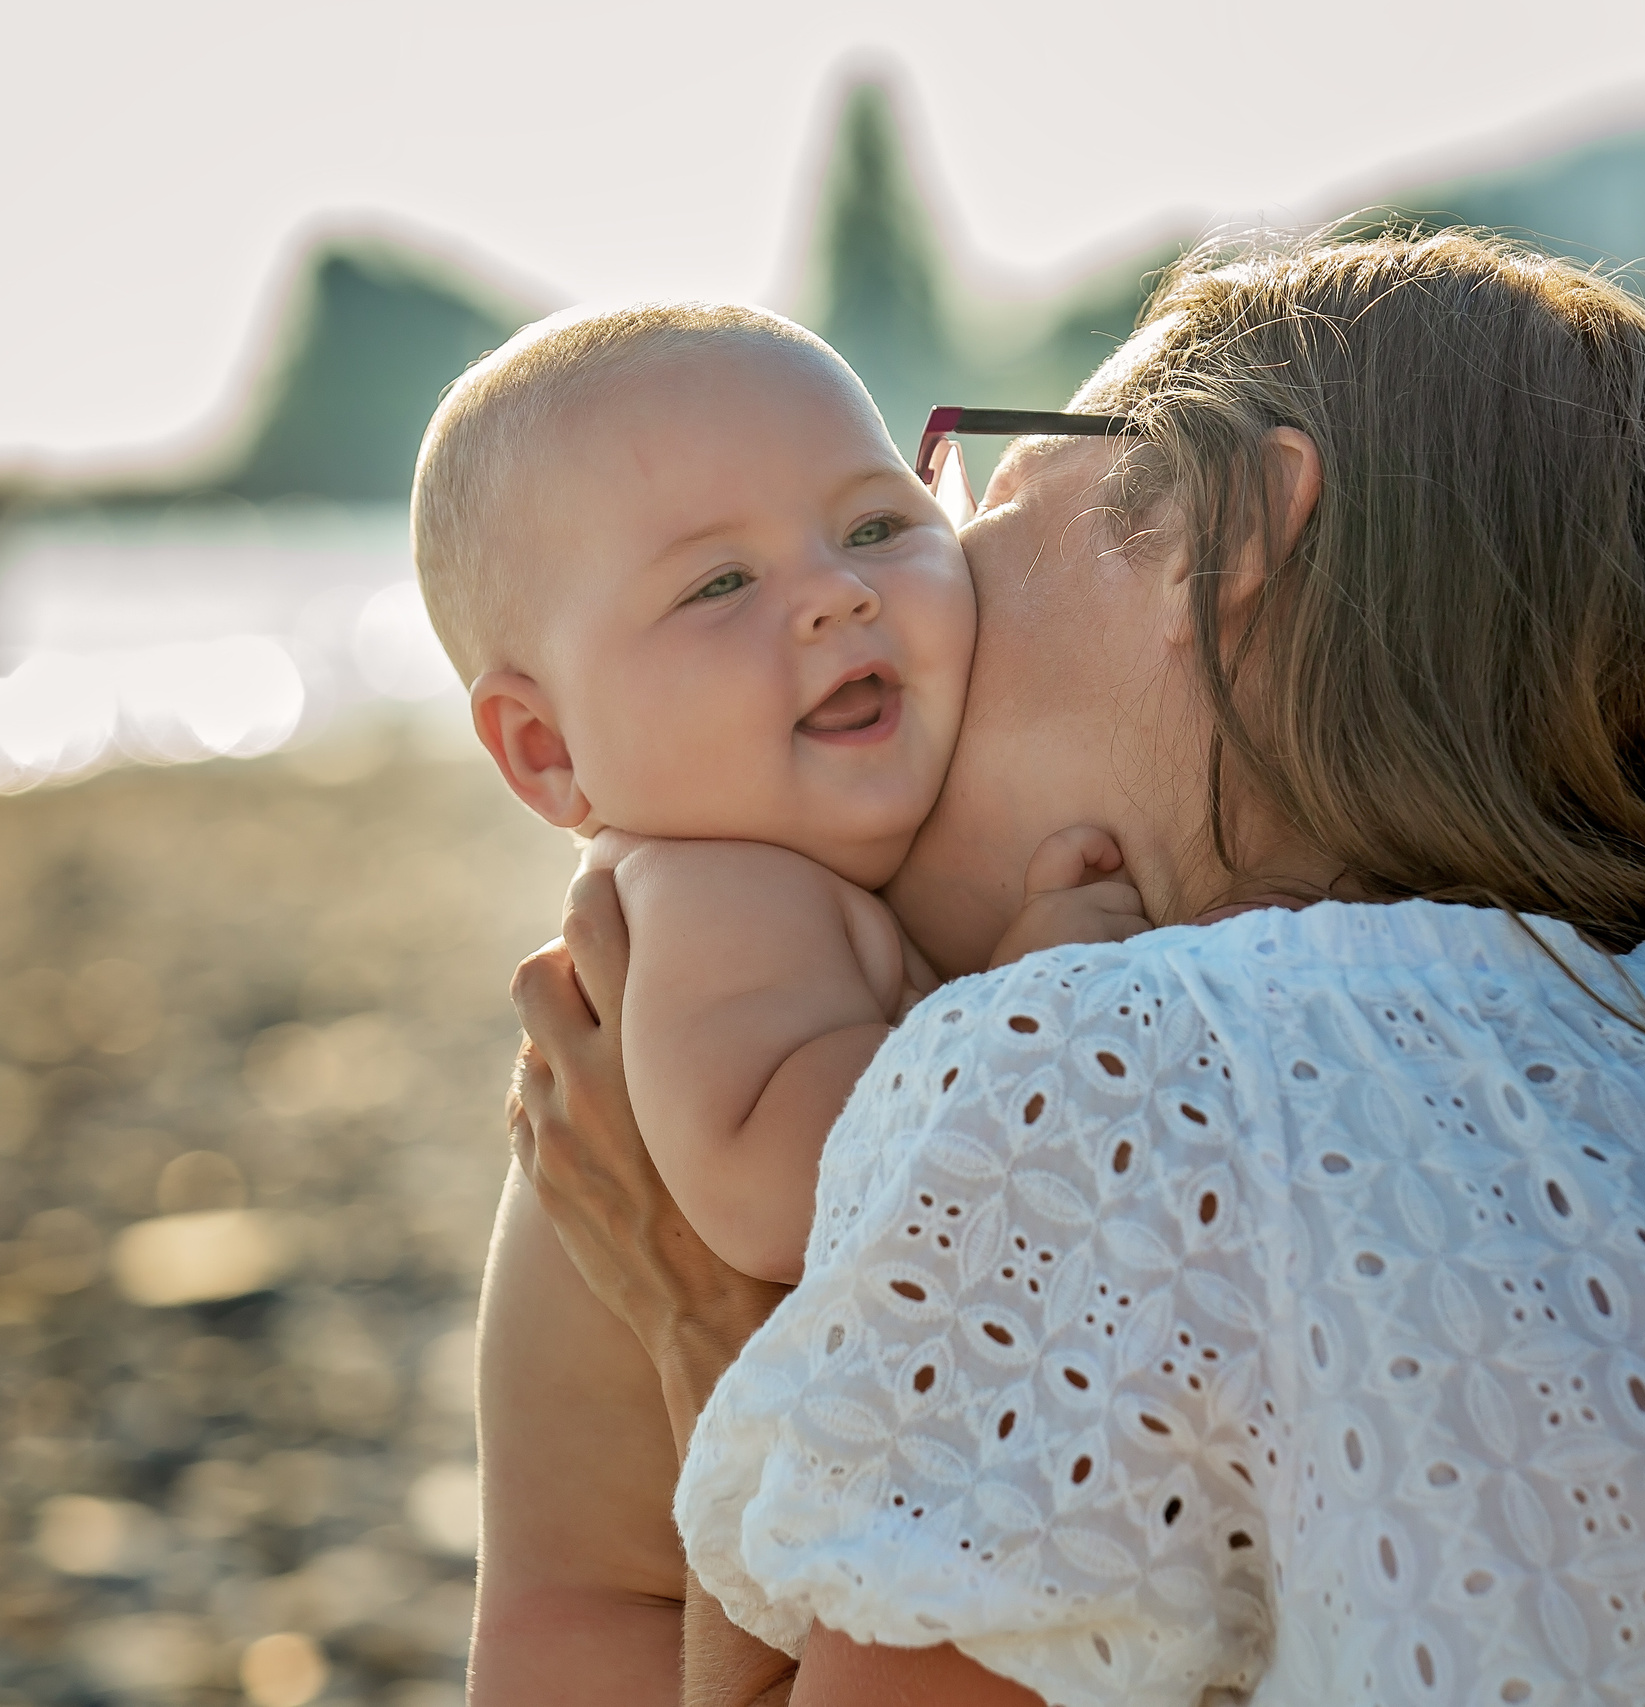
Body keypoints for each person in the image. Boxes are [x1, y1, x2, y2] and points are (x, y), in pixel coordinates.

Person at [505, 230, 1645, 1705]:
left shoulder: (1107, 1074)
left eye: (974, 499)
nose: (908, 586)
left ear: (1221, 534)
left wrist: (714, 1329)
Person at [409, 302, 1151, 1703]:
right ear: (547, 748)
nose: (834, 594)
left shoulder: (783, 876)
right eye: (717, 587)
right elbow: (780, 1188)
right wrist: (1024, 997)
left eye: (875, 526)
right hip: (621, 1642)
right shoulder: (709, 898)